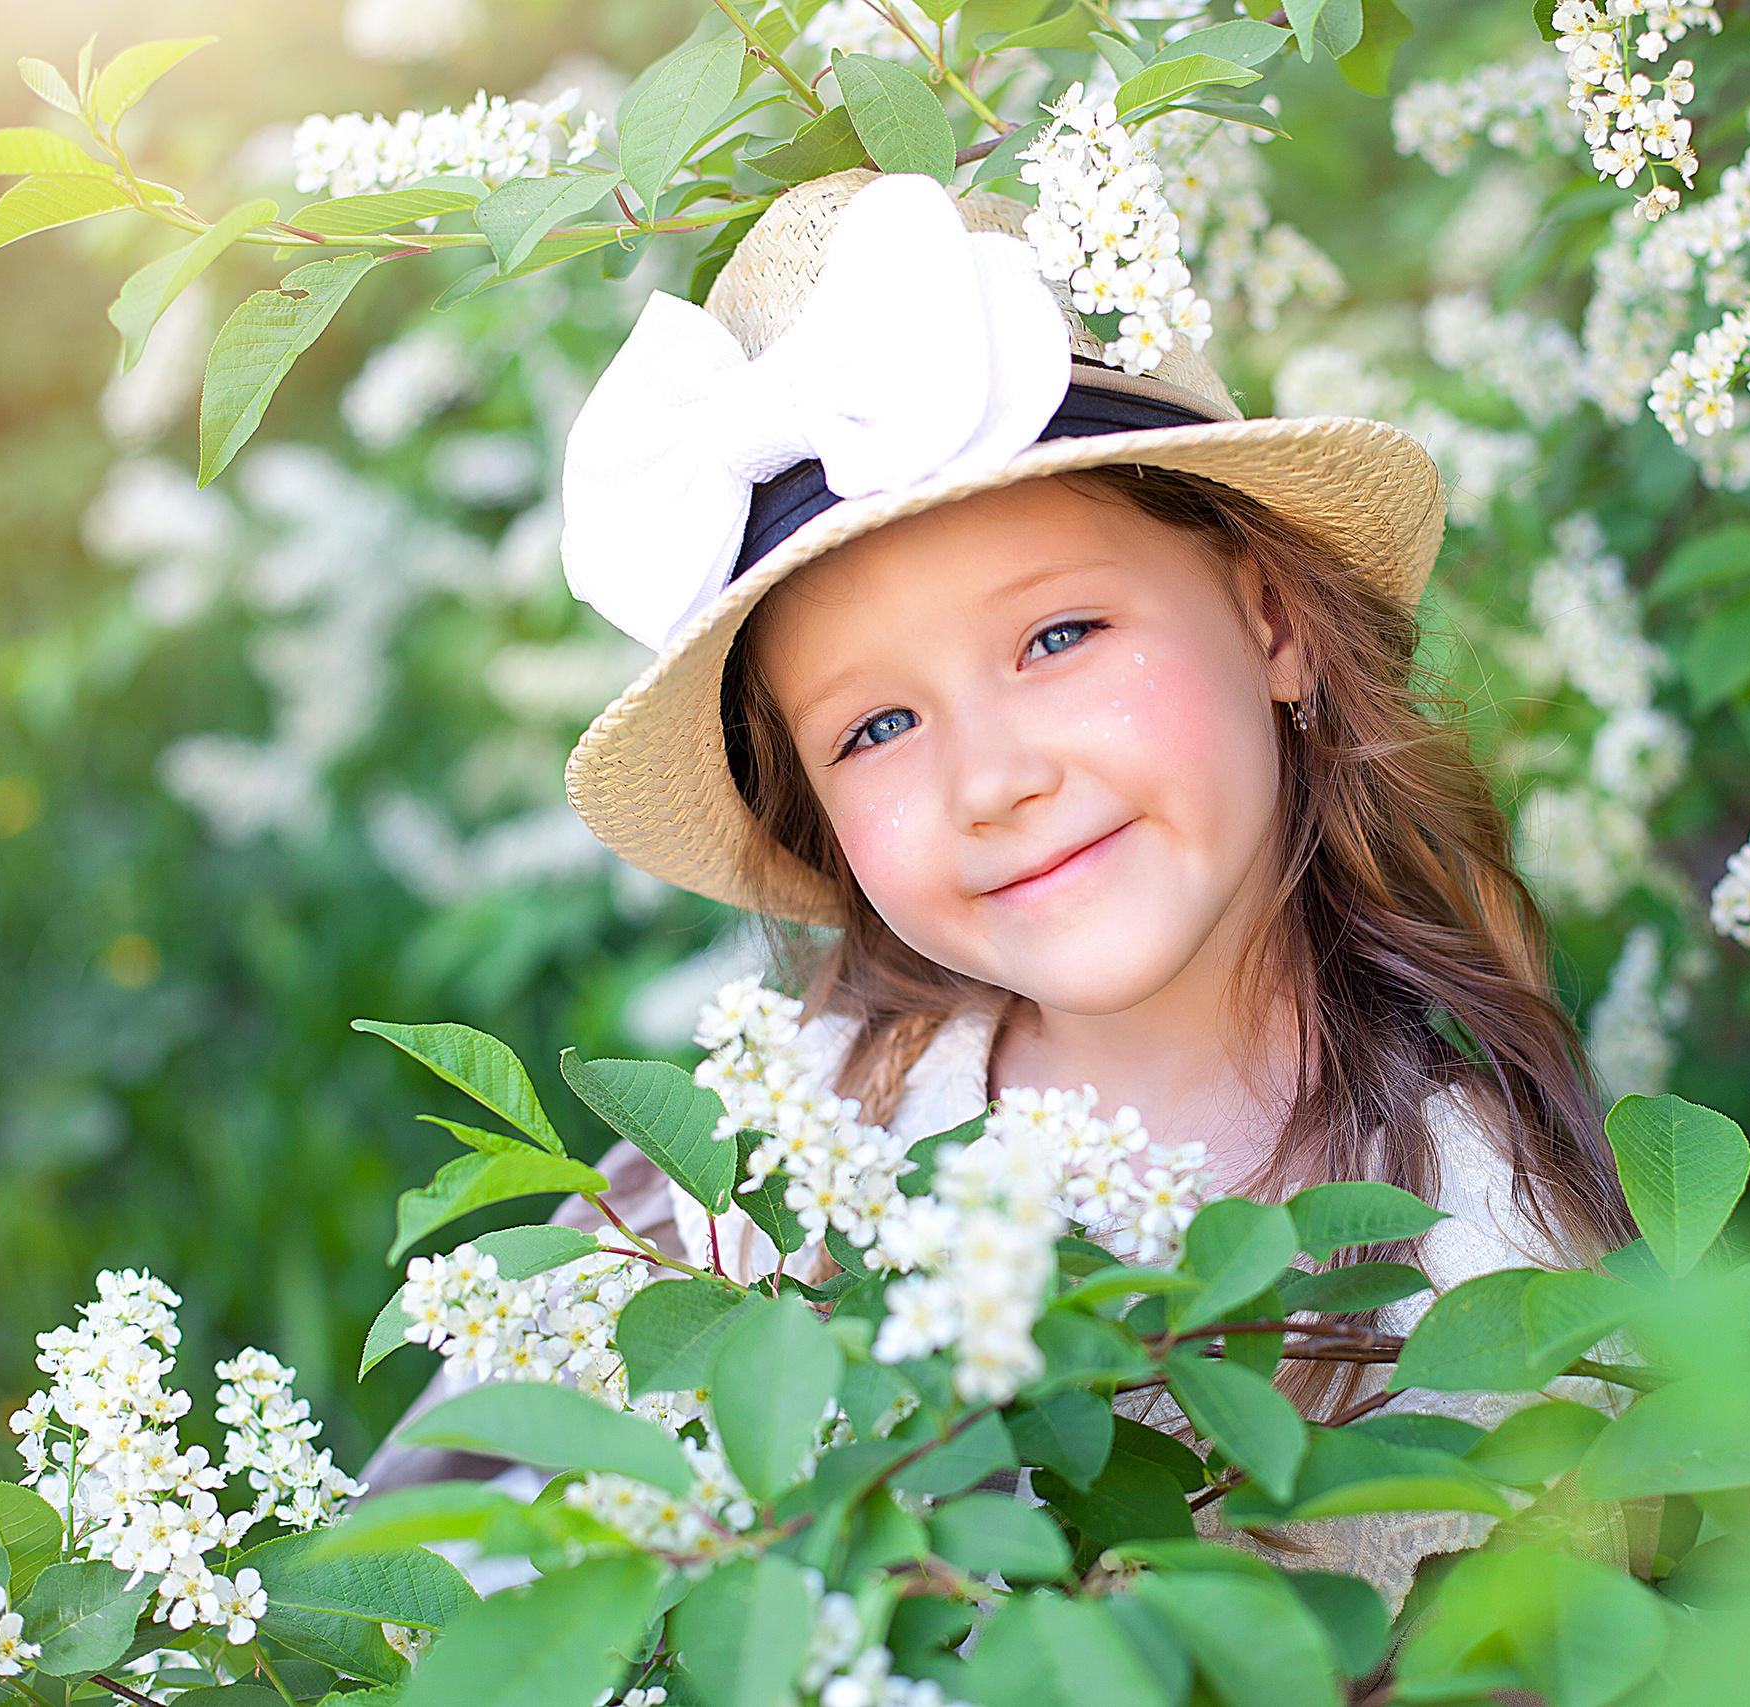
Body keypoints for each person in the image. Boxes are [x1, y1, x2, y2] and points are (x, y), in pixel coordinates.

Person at [364, 168, 1635, 1600]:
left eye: (1059, 637)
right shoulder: (776, 1144)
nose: (990, 780)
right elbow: (450, 1562)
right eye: (876, 728)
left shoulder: (1486, 1252)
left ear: (1272, 618)